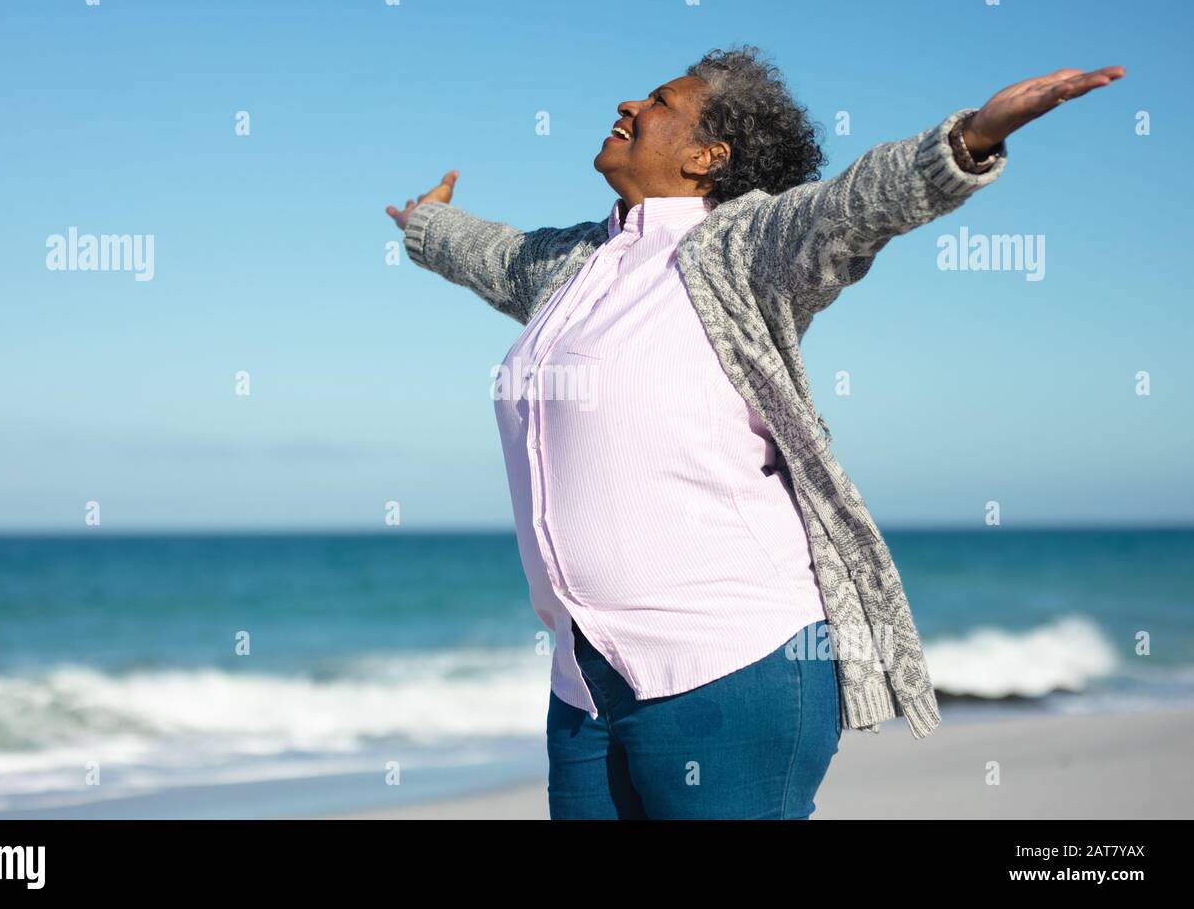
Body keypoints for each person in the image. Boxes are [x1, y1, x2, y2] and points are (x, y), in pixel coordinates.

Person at [386, 45, 1123, 819]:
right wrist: (428, 224)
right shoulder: (572, 263)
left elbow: (854, 203)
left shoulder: (743, 247)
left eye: (660, 102)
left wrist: (968, 140)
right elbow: (495, 256)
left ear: (709, 157)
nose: (628, 106)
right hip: (586, 680)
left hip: (729, 665)